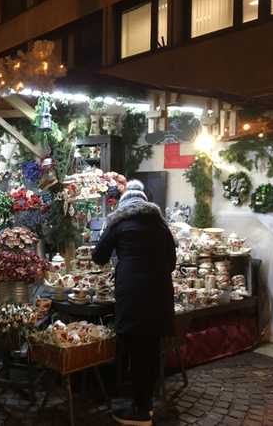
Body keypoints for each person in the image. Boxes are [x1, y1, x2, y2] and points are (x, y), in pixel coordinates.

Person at [92, 180, 176, 426]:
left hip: (133, 293)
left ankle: (139, 412)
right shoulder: (161, 225)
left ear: (124, 203)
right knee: (150, 348)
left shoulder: (119, 223)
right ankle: (145, 404)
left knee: (136, 348)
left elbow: (98, 257)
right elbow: (171, 261)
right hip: (160, 293)